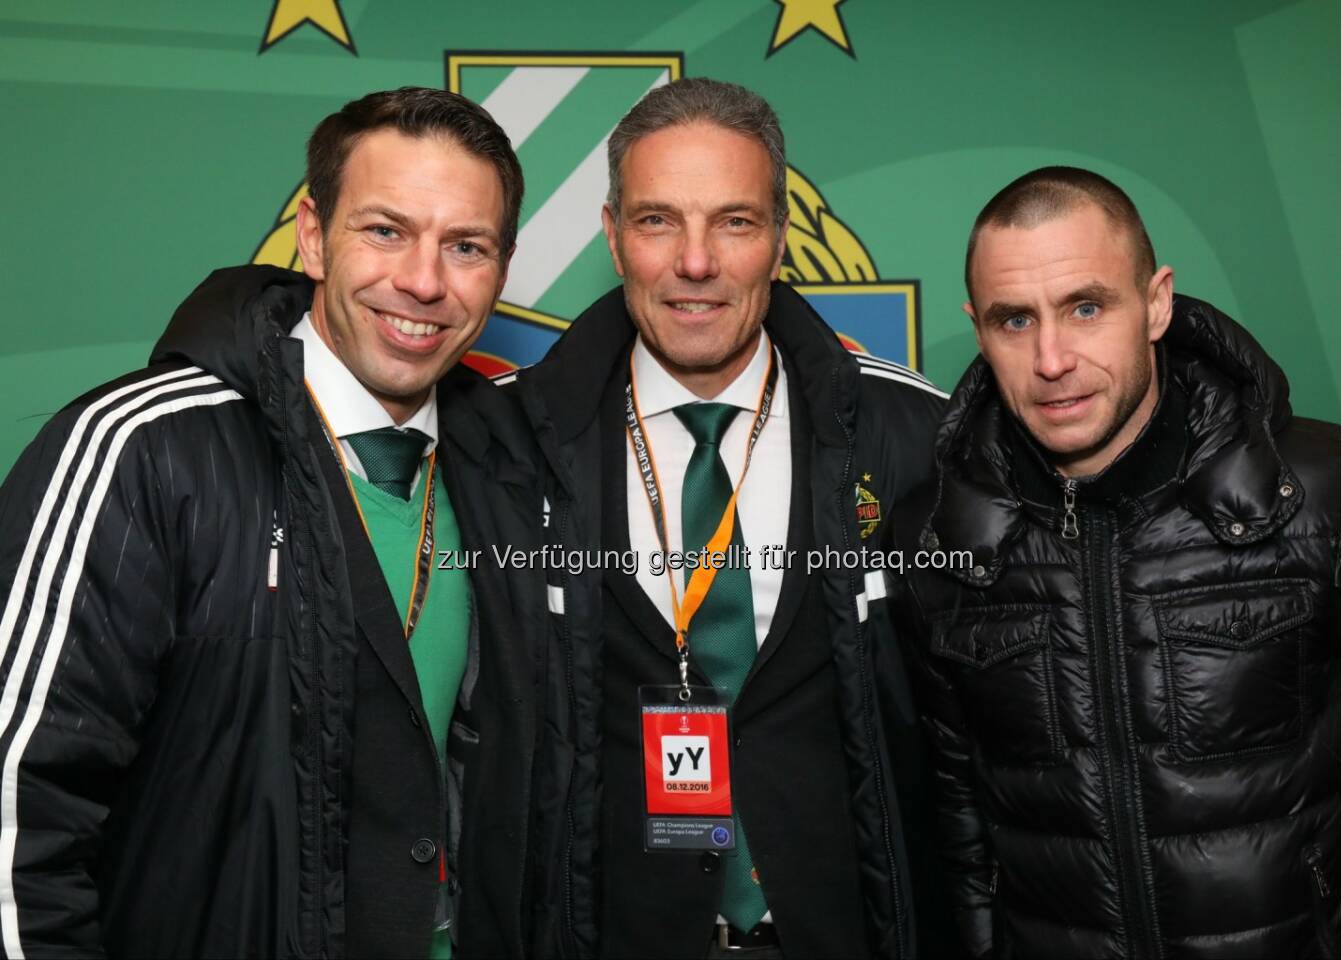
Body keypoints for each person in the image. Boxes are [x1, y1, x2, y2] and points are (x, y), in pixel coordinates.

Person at [0, 87, 547, 957]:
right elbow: (19, 817)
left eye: (466, 246)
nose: (423, 280)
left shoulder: (509, 477)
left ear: (503, 268)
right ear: (313, 234)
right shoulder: (146, 451)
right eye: (385, 230)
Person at [893, 165, 1341, 958]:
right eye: (1016, 321)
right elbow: (960, 822)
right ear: (978, 329)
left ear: (1155, 303)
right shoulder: (937, 540)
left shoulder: (1326, 490)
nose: (1051, 359)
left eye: (1085, 307)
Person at [501, 78, 947, 959]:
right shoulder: (511, 444)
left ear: (780, 240)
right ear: (613, 234)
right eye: (658, 219)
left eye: (735, 222)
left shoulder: (912, 434)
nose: (695, 262)